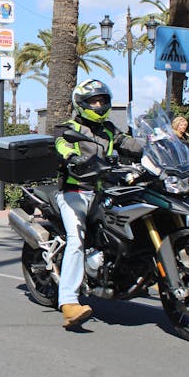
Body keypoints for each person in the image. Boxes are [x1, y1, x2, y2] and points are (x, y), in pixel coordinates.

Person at [53, 80, 142, 330]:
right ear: (81, 104)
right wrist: (72, 156)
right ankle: (69, 303)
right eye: (94, 101)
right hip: (75, 192)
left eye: (102, 100)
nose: (99, 105)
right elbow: (61, 145)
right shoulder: (68, 128)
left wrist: (152, 147)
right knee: (76, 239)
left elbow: (129, 143)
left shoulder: (110, 129)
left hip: (104, 192)